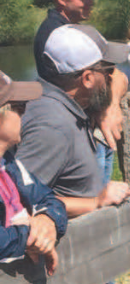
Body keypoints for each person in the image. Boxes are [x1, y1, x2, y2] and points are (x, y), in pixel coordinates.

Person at [17, 25, 130, 218]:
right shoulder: (52, 125)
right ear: (87, 79)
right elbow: (20, 201)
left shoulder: (64, 105)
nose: (111, 77)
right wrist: (95, 203)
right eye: (108, 69)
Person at [33, 0, 126, 184]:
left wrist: (110, 108)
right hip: (78, 136)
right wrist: (107, 108)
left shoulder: (74, 31)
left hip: (91, 128)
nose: (90, 0)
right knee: (93, 201)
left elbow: (118, 75)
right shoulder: (57, 37)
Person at [0, 71, 68, 277]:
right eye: (19, 107)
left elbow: (48, 198)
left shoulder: (9, 164)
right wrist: (29, 237)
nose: (24, 113)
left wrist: (47, 221)